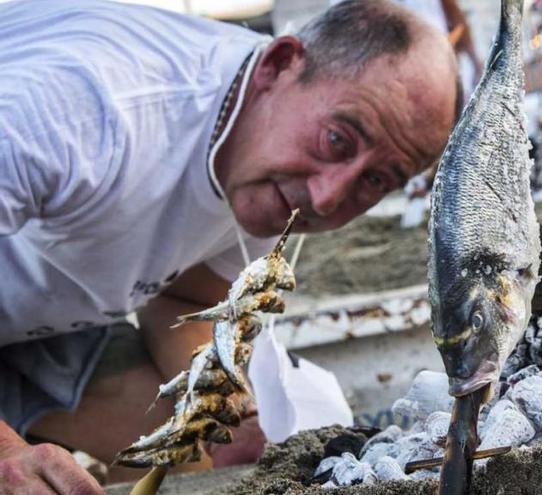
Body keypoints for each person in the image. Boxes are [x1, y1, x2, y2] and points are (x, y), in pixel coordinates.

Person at [0, 0, 458, 491]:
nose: (328, 196)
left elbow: (184, 297)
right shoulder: (81, 107)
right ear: (280, 65)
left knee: (201, 461)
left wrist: (234, 412)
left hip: (46, 325)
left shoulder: (266, 157)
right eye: (337, 140)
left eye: (375, 179)